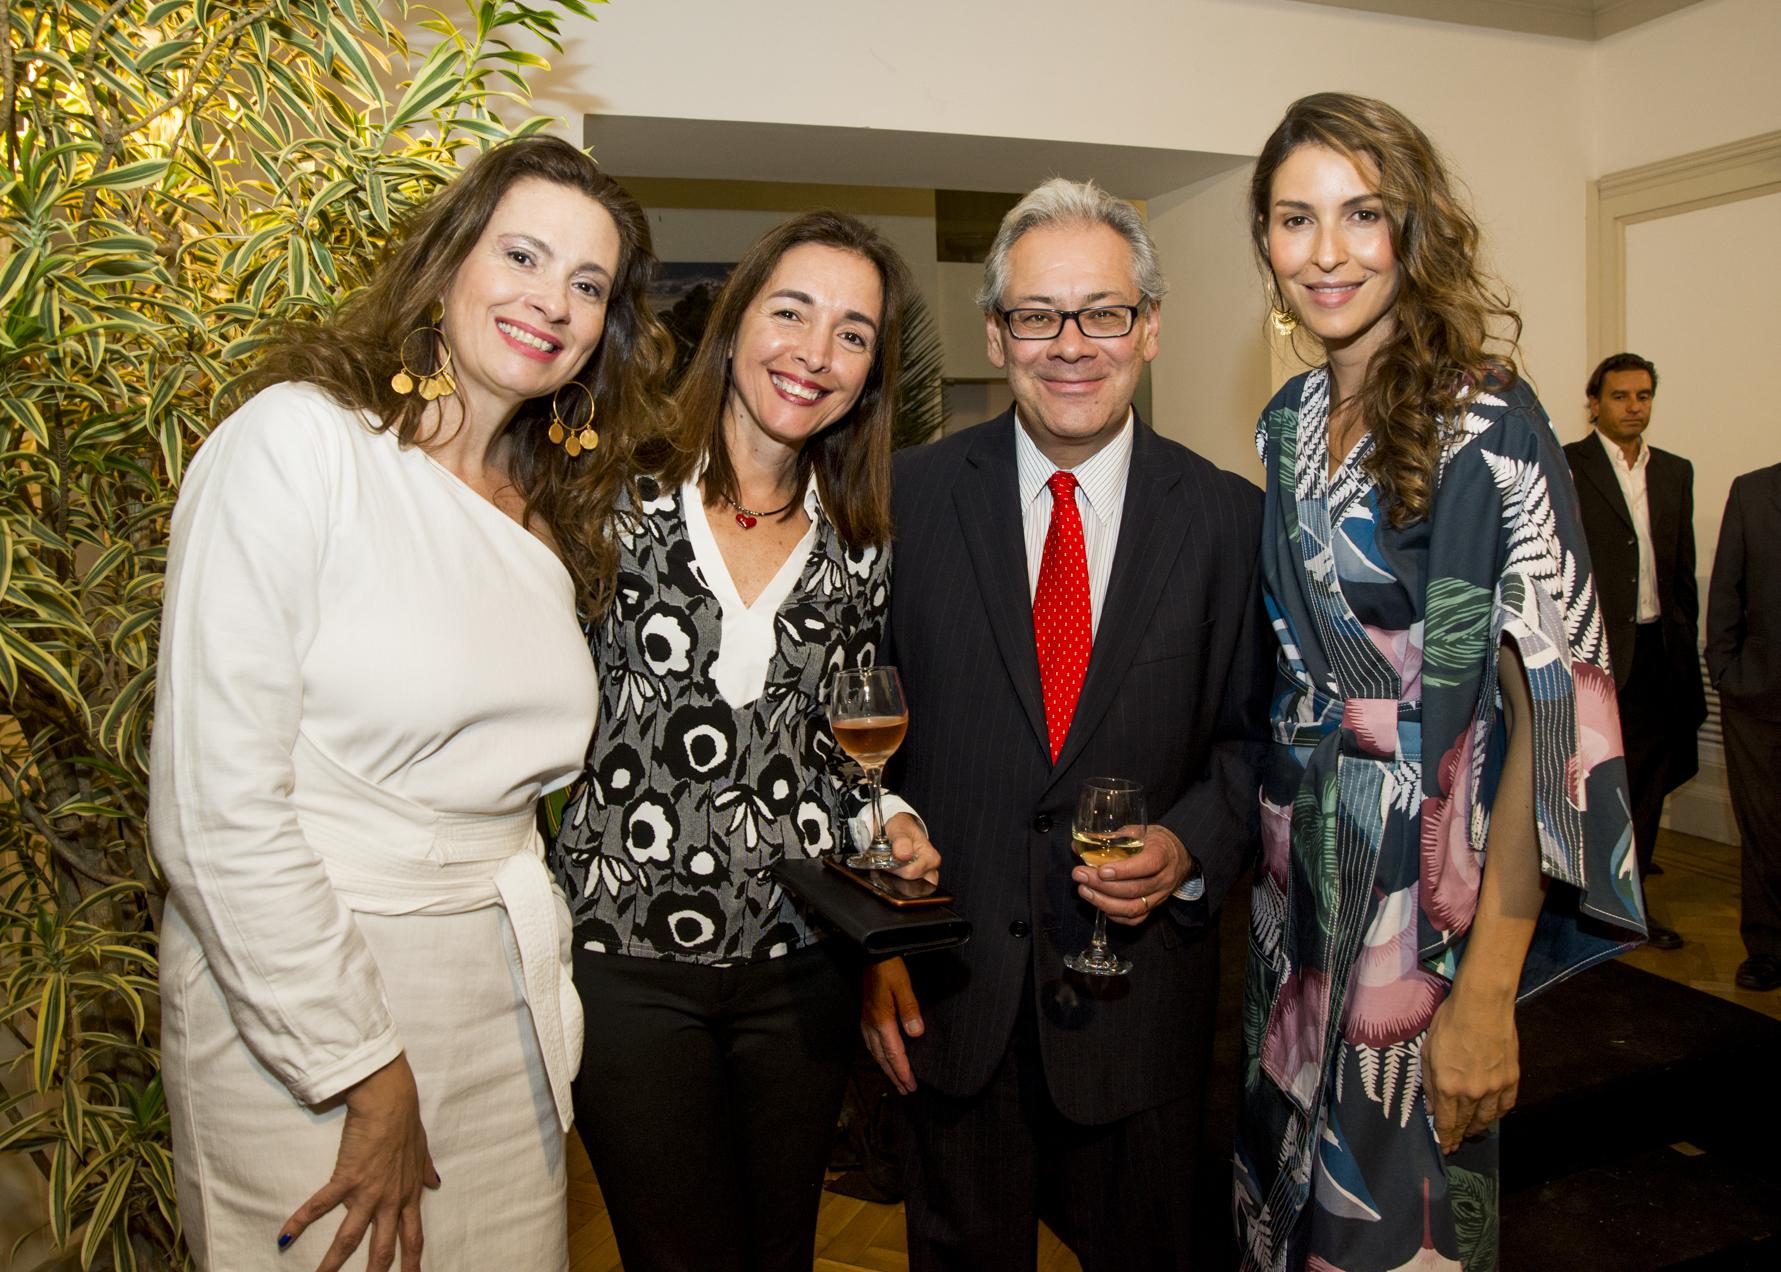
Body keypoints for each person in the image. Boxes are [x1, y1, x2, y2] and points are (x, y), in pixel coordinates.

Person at [150, 137, 671, 1272]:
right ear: (445, 263)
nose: (552, 302)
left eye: (588, 285)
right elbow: (212, 806)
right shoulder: (299, 444)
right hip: (304, 996)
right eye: (522, 256)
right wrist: (363, 1067)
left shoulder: (548, 510)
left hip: (499, 993)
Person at [1233, 93, 1646, 1272]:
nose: (1325, 251)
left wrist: (1484, 997)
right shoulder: (1284, 421)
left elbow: (1551, 715)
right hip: (1293, 888)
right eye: (1293, 218)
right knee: (1280, 1209)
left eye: (1360, 214)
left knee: (1389, 1226)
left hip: (1421, 907)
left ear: (1410, 228)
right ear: (1262, 239)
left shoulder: (1486, 419)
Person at [858, 177, 1273, 1271]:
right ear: (995, 334)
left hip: (1140, 1012)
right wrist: (877, 944)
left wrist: (1186, 844)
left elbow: (1251, 741)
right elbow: (850, 740)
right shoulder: (902, 501)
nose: (1071, 345)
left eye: (1103, 312)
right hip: (950, 1008)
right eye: (1038, 315)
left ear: (1148, 327)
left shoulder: (1229, 519)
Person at [548, 211, 941, 1272]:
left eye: (852, 334)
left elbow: (840, 751)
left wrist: (893, 819)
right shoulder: (604, 496)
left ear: (869, 374)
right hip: (622, 960)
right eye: (791, 313)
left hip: (798, 966)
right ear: (734, 324)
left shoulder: (863, 542)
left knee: (779, 1252)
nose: (815, 354)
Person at [1564, 352, 1706, 950]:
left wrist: (1687, 651)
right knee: (1593, 782)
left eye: (1643, 396)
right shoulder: (1568, 465)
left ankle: (1630, 905)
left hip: (1656, 652)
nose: (1633, 407)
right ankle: (1582, 901)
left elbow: (1681, 570)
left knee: (1647, 782)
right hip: (1594, 655)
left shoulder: (1674, 471)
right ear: (1595, 402)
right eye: (1620, 396)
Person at [1706, 462, 1781, 992]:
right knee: (1764, 829)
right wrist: (1727, 673)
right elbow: (1726, 591)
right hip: (1759, 694)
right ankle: (1768, 947)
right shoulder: (1753, 491)